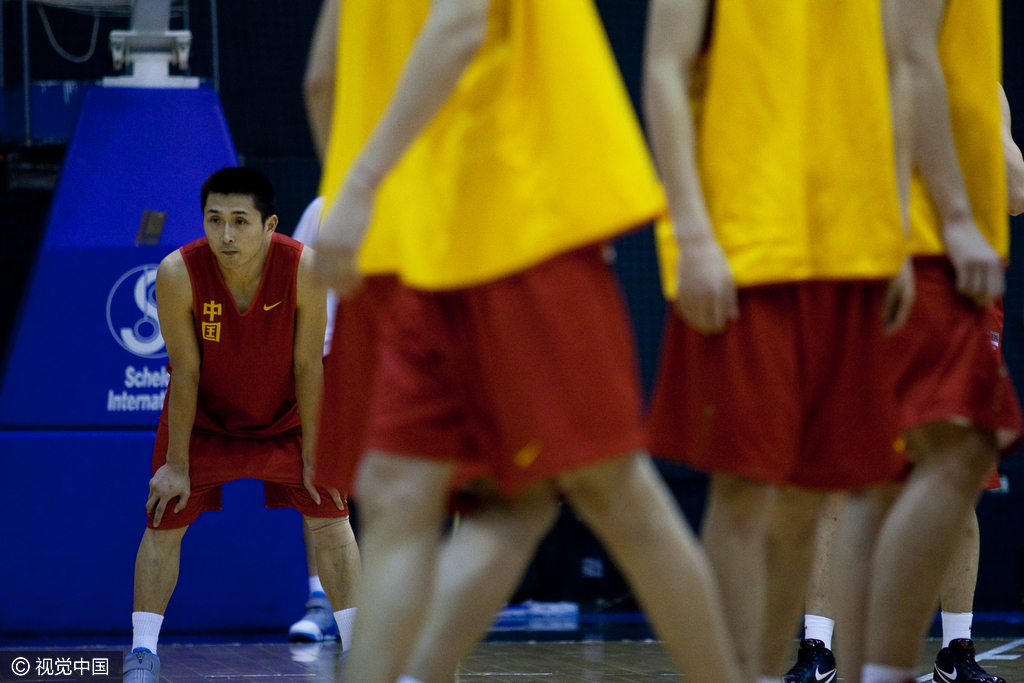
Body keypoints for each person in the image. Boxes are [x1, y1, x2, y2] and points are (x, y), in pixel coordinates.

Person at [308, 4, 745, 683]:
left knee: (423, 503)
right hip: (512, 215)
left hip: (433, 233)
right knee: (589, 495)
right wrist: (363, 188)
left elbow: (326, 77)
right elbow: (437, 32)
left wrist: (356, 190)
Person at [642, 0, 915, 681]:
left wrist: (899, 229)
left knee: (809, 497)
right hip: (746, 242)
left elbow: (901, 71)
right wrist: (694, 234)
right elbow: (664, 71)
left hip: (851, 242)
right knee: (744, 488)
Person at [787, 81, 1024, 683]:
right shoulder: (861, 67)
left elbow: (1015, 192)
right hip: (870, 283)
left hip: (959, 291)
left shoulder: (977, 79)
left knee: (957, 479)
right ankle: (817, 650)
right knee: (840, 476)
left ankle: (957, 652)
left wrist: (967, 125)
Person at [122, 168, 360, 683]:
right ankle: (142, 654)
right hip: (207, 419)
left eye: (239, 221)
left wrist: (318, 456)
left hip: (287, 417)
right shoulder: (176, 273)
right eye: (214, 221)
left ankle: (359, 650)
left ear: (269, 224)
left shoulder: (306, 268)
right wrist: (177, 464)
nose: (226, 235)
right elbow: (184, 371)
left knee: (331, 515)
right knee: (164, 517)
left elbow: (307, 365)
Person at [285, 195, 350, 645]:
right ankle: (320, 603)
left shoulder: (429, 194)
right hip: (328, 358)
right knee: (320, 477)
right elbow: (296, 275)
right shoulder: (325, 207)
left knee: (400, 487)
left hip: (401, 363)